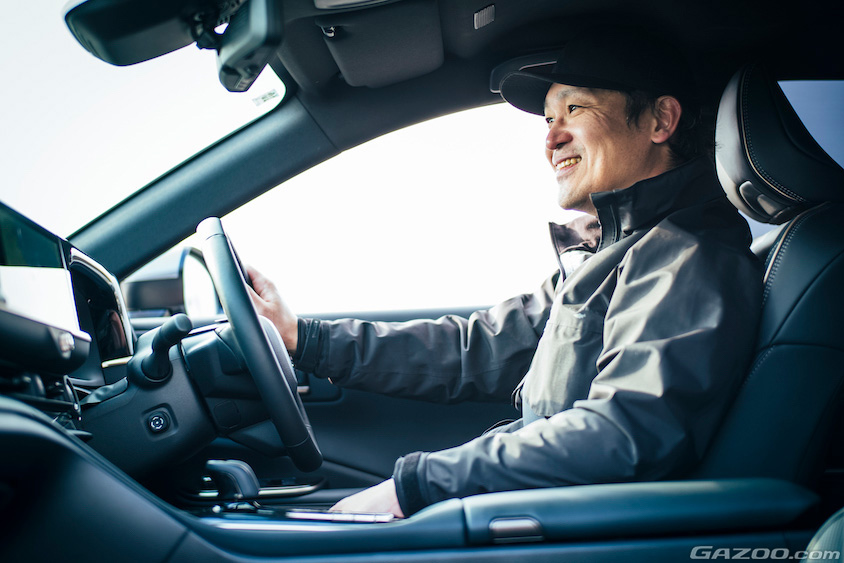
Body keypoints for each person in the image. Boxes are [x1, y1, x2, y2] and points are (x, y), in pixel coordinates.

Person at [247, 26, 763, 518]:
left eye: (574, 109)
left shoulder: (688, 256)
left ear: (660, 120)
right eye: (548, 119)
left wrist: (419, 485)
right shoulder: (612, 253)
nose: (552, 138)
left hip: (588, 532)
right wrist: (304, 339)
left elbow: (627, 433)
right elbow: (478, 348)